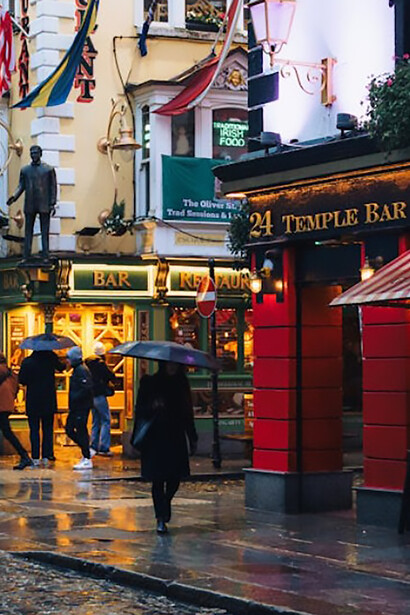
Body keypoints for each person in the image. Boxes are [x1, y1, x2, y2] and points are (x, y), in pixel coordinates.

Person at [132, 361, 198, 534]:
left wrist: (192, 437)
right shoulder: (150, 382)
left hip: (175, 436)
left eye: (175, 365)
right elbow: (140, 410)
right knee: (158, 479)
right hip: (155, 437)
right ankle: (160, 518)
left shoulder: (181, 384)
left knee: (175, 479)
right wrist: (152, 407)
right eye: (169, 365)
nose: (172, 368)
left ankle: (165, 503)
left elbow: (187, 412)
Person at [7, 144, 57, 262]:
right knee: (28, 231)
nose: (34, 155)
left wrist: (52, 203)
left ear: (40, 154)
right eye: (32, 153)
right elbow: (21, 186)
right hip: (30, 203)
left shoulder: (48, 169)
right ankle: (26, 255)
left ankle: (45, 255)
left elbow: (53, 187)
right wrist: (14, 197)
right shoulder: (25, 170)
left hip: (44, 204)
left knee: (45, 231)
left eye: (36, 153)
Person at [18, 350, 66, 466]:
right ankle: (47, 455)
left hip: (33, 400)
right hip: (48, 400)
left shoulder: (28, 362)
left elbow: (22, 380)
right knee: (48, 429)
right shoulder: (50, 359)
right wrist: (56, 356)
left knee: (34, 429)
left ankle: (35, 456)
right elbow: (62, 367)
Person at [0, 352, 33, 470]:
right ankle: (24, 456)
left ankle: (24, 456)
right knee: (7, 432)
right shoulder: (10, 373)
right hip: (6, 405)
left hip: (1, 406)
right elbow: (16, 388)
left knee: (7, 432)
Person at [65, 347, 94, 471]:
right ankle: (86, 450)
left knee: (79, 429)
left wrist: (75, 398)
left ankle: (87, 456)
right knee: (71, 429)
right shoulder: (78, 370)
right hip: (77, 406)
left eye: (68, 358)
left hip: (80, 406)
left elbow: (86, 388)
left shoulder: (81, 370)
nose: (67, 361)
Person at [85, 341, 116, 457]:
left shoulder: (87, 362)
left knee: (95, 421)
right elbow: (111, 376)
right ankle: (104, 447)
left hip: (90, 395)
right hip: (99, 395)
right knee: (106, 420)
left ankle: (93, 445)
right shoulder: (100, 364)